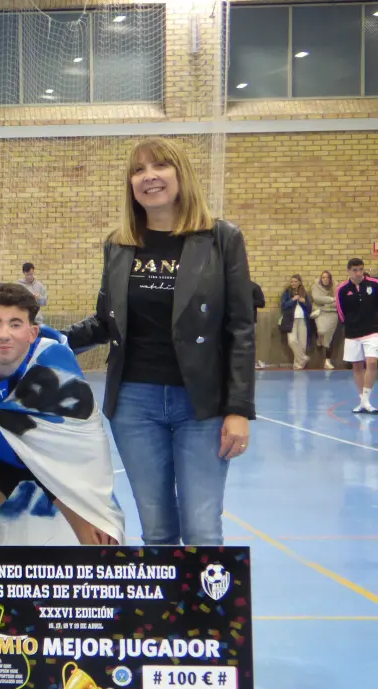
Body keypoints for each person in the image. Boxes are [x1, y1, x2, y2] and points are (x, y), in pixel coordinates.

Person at [62, 136, 254, 547]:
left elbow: (240, 328)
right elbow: (106, 321)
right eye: (138, 170)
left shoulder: (221, 238)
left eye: (160, 166)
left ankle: (202, 594)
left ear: (181, 175)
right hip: (134, 404)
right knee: (158, 531)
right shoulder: (118, 244)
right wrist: (39, 336)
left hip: (202, 404)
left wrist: (238, 409)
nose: (148, 176)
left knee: (202, 530)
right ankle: (166, 594)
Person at [0, 284, 123, 546]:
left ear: (33, 333)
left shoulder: (57, 363)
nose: (4, 334)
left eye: (15, 324)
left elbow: (88, 439)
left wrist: (98, 506)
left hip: (54, 460)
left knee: (102, 541)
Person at [336, 258, 378, 413]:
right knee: (357, 366)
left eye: (361, 269)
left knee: (372, 362)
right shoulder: (341, 289)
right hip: (352, 333)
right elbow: (340, 311)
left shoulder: (374, 284)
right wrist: (348, 325)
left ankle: (366, 400)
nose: (358, 273)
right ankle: (363, 402)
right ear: (348, 271)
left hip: (372, 331)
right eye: (355, 270)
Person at [279, 274, 313, 370]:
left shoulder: (304, 293)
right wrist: (292, 300)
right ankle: (303, 358)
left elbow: (309, 308)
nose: (293, 283)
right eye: (292, 281)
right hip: (291, 320)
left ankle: (298, 365)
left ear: (299, 283)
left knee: (302, 344)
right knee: (292, 341)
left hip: (303, 319)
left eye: (295, 282)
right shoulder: (287, 293)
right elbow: (283, 306)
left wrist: (304, 302)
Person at [311, 270, 338, 369]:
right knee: (321, 331)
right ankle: (319, 338)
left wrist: (325, 302)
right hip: (320, 312)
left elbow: (338, 302)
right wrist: (332, 299)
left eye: (327, 277)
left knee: (329, 337)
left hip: (333, 313)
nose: (325, 279)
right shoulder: (315, 287)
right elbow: (317, 299)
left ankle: (327, 361)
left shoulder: (336, 287)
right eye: (323, 277)